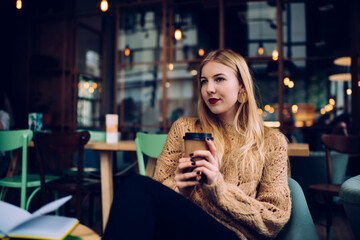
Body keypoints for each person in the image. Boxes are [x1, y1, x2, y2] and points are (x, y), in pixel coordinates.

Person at [103, 49, 291, 240]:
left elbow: (274, 219)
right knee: (137, 187)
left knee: (137, 186)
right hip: (183, 228)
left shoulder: (272, 142)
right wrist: (179, 191)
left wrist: (218, 189)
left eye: (219, 79)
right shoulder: (184, 128)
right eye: (204, 81)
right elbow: (154, 197)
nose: (209, 88)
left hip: (234, 235)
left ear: (242, 87)